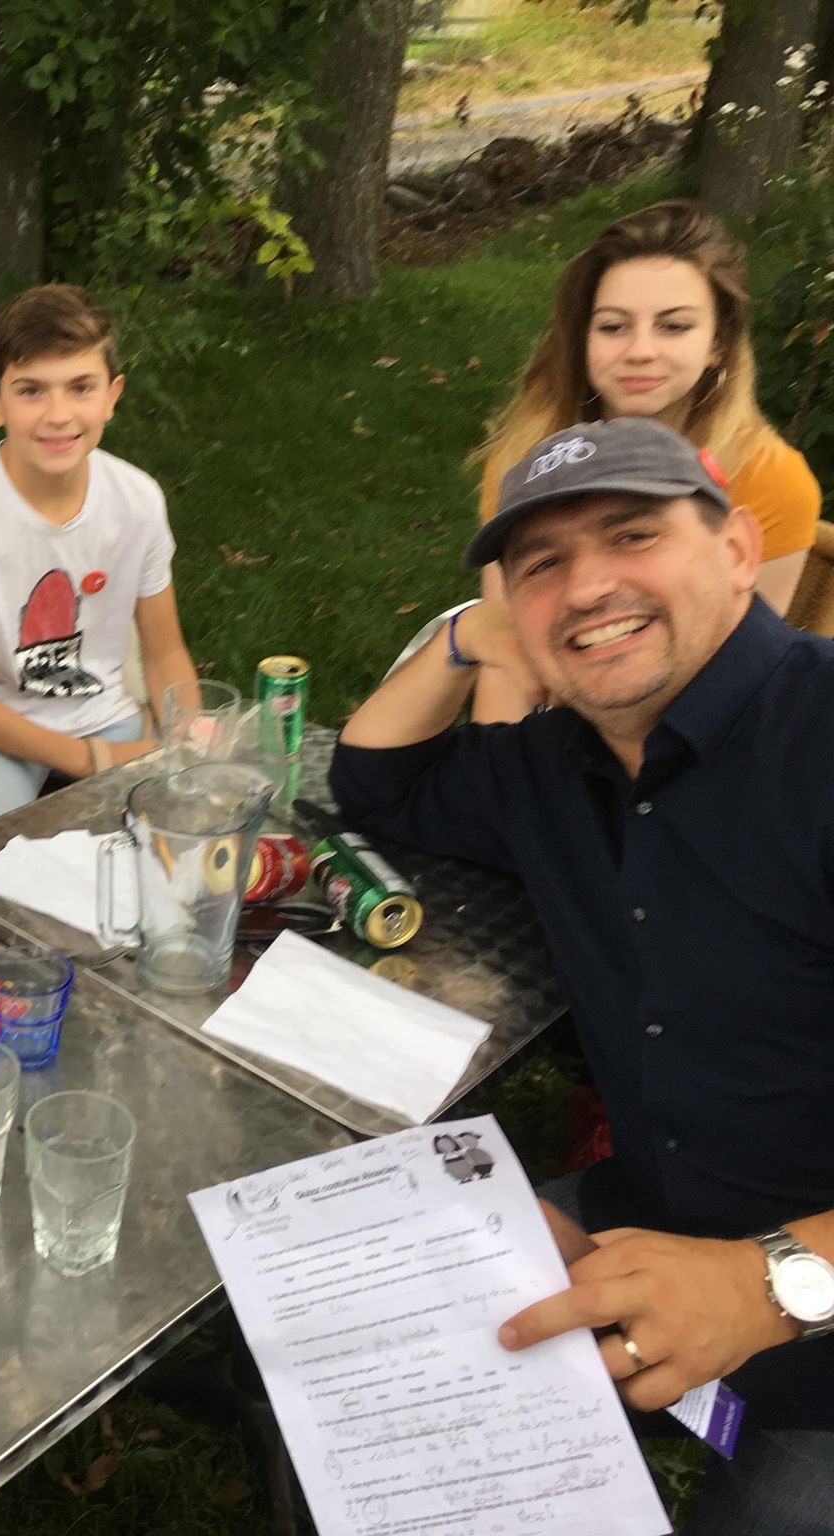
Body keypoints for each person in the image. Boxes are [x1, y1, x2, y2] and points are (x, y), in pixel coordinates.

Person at [333, 416, 834, 1531]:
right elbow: (373, 780)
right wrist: (464, 638)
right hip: (634, 1222)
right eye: (541, 565)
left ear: (738, 550)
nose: (588, 586)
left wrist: (763, 1283)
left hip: (817, 1309)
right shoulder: (555, 763)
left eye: (631, 535)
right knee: (356, 1370)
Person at [470, 199, 822, 721]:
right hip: (552, 719)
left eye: (673, 326)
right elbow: (506, 654)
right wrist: (499, 758)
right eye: (613, 327)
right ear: (582, 339)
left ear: (719, 343)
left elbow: (745, 674)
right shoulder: (526, 461)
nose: (639, 351)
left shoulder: (771, 480)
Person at [0, 284, 202, 843]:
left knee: (181, 847)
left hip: (104, 714)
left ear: (111, 396)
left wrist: (186, 743)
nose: (58, 415)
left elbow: (164, 653)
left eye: (80, 387)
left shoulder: (137, 500)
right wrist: (89, 759)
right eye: (31, 390)